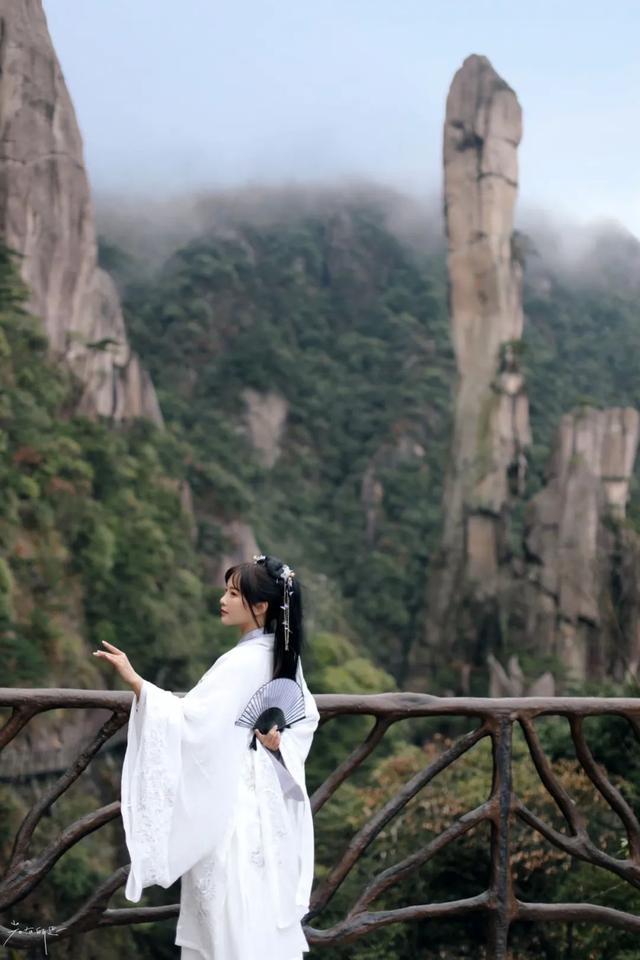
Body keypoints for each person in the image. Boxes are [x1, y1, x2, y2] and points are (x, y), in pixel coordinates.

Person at [93, 554, 320, 960]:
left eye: (233, 594)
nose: (223, 600)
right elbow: (305, 720)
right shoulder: (281, 655)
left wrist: (135, 680)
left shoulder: (244, 661)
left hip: (233, 812)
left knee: (229, 917)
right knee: (252, 914)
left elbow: (190, 720)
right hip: (262, 811)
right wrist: (278, 743)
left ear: (261, 606)